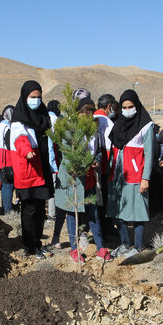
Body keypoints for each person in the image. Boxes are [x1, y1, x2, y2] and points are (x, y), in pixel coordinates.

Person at [55, 97, 113, 262]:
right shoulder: (70, 129)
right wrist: (77, 165)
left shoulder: (94, 128)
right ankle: (74, 250)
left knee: (93, 213)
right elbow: (66, 153)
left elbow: (98, 150)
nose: (87, 115)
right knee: (73, 214)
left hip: (88, 178)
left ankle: (100, 247)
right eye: (84, 111)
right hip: (74, 179)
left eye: (90, 111)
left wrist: (96, 159)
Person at [107, 89, 155, 258]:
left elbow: (149, 154)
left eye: (131, 106)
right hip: (117, 176)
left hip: (136, 176)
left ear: (137, 105)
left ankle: (139, 246)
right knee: (118, 212)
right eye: (124, 107)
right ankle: (126, 244)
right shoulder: (118, 124)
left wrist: (145, 178)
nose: (127, 110)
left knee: (137, 212)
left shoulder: (145, 126)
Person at [10, 80, 53, 258]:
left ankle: (38, 243)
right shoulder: (19, 118)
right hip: (27, 171)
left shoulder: (43, 117)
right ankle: (29, 246)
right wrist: (27, 151)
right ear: (24, 97)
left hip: (41, 169)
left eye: (38, 97)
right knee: (29, 210)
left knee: (40, 209)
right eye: (32, 97)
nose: (36, 100)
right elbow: (19, 138)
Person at [93, 94, 116, 232]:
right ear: (109, 106)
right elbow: (109, 149)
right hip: (103, 166)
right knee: (104, 199)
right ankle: (105, 228)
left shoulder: (91, 118)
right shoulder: (108, 122)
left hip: (91, 166)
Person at [0, 105, 15, 214]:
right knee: (8, 185)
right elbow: (10, 145)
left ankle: (4, 206)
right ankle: (7, 209)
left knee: (4, 184)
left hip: (1, 159)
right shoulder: (7, 127)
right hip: (7, 159)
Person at [46, 100, 61, 222]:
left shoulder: (44, 117)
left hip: (44, 158)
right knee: (54, 187)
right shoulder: (55, 119)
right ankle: (52, 214)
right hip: (53, 160)